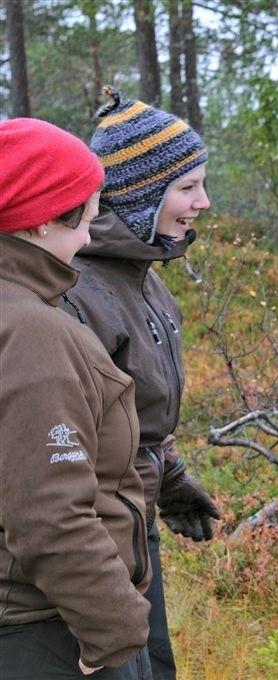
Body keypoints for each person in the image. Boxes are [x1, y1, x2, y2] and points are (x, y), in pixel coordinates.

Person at [60, 87, 220, 680]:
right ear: (134, 193)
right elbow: (68, 444)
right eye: (187, 187)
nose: (203, 202)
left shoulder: (145, 279)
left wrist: (169, 479)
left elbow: (130, 412)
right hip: (94, 536)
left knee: (154, 666)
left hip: (134, 518)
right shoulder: (77, 291)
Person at [0, 118, 152, 678]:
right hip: (44, 632)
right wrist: (116, 634)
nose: (89, 238)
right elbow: (48, 515)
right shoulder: (32, 333)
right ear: (40, 220)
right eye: (84, 219)